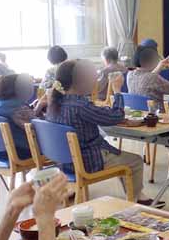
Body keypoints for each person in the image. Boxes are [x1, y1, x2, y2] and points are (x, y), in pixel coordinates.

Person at [46, 60, 153, 205]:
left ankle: (136, 194)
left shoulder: (54, 103)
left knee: (121, 156)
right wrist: (117, 90)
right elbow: (116, 116)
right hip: (88, 161)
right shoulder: (80, 106)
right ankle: (136, 199)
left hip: (64, 163)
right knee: (135, 161)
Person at [0, 73, 38, 159]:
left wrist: (38, 107)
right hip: (23, 150)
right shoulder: (18, 108)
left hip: (4, 150)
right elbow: (38, 128)